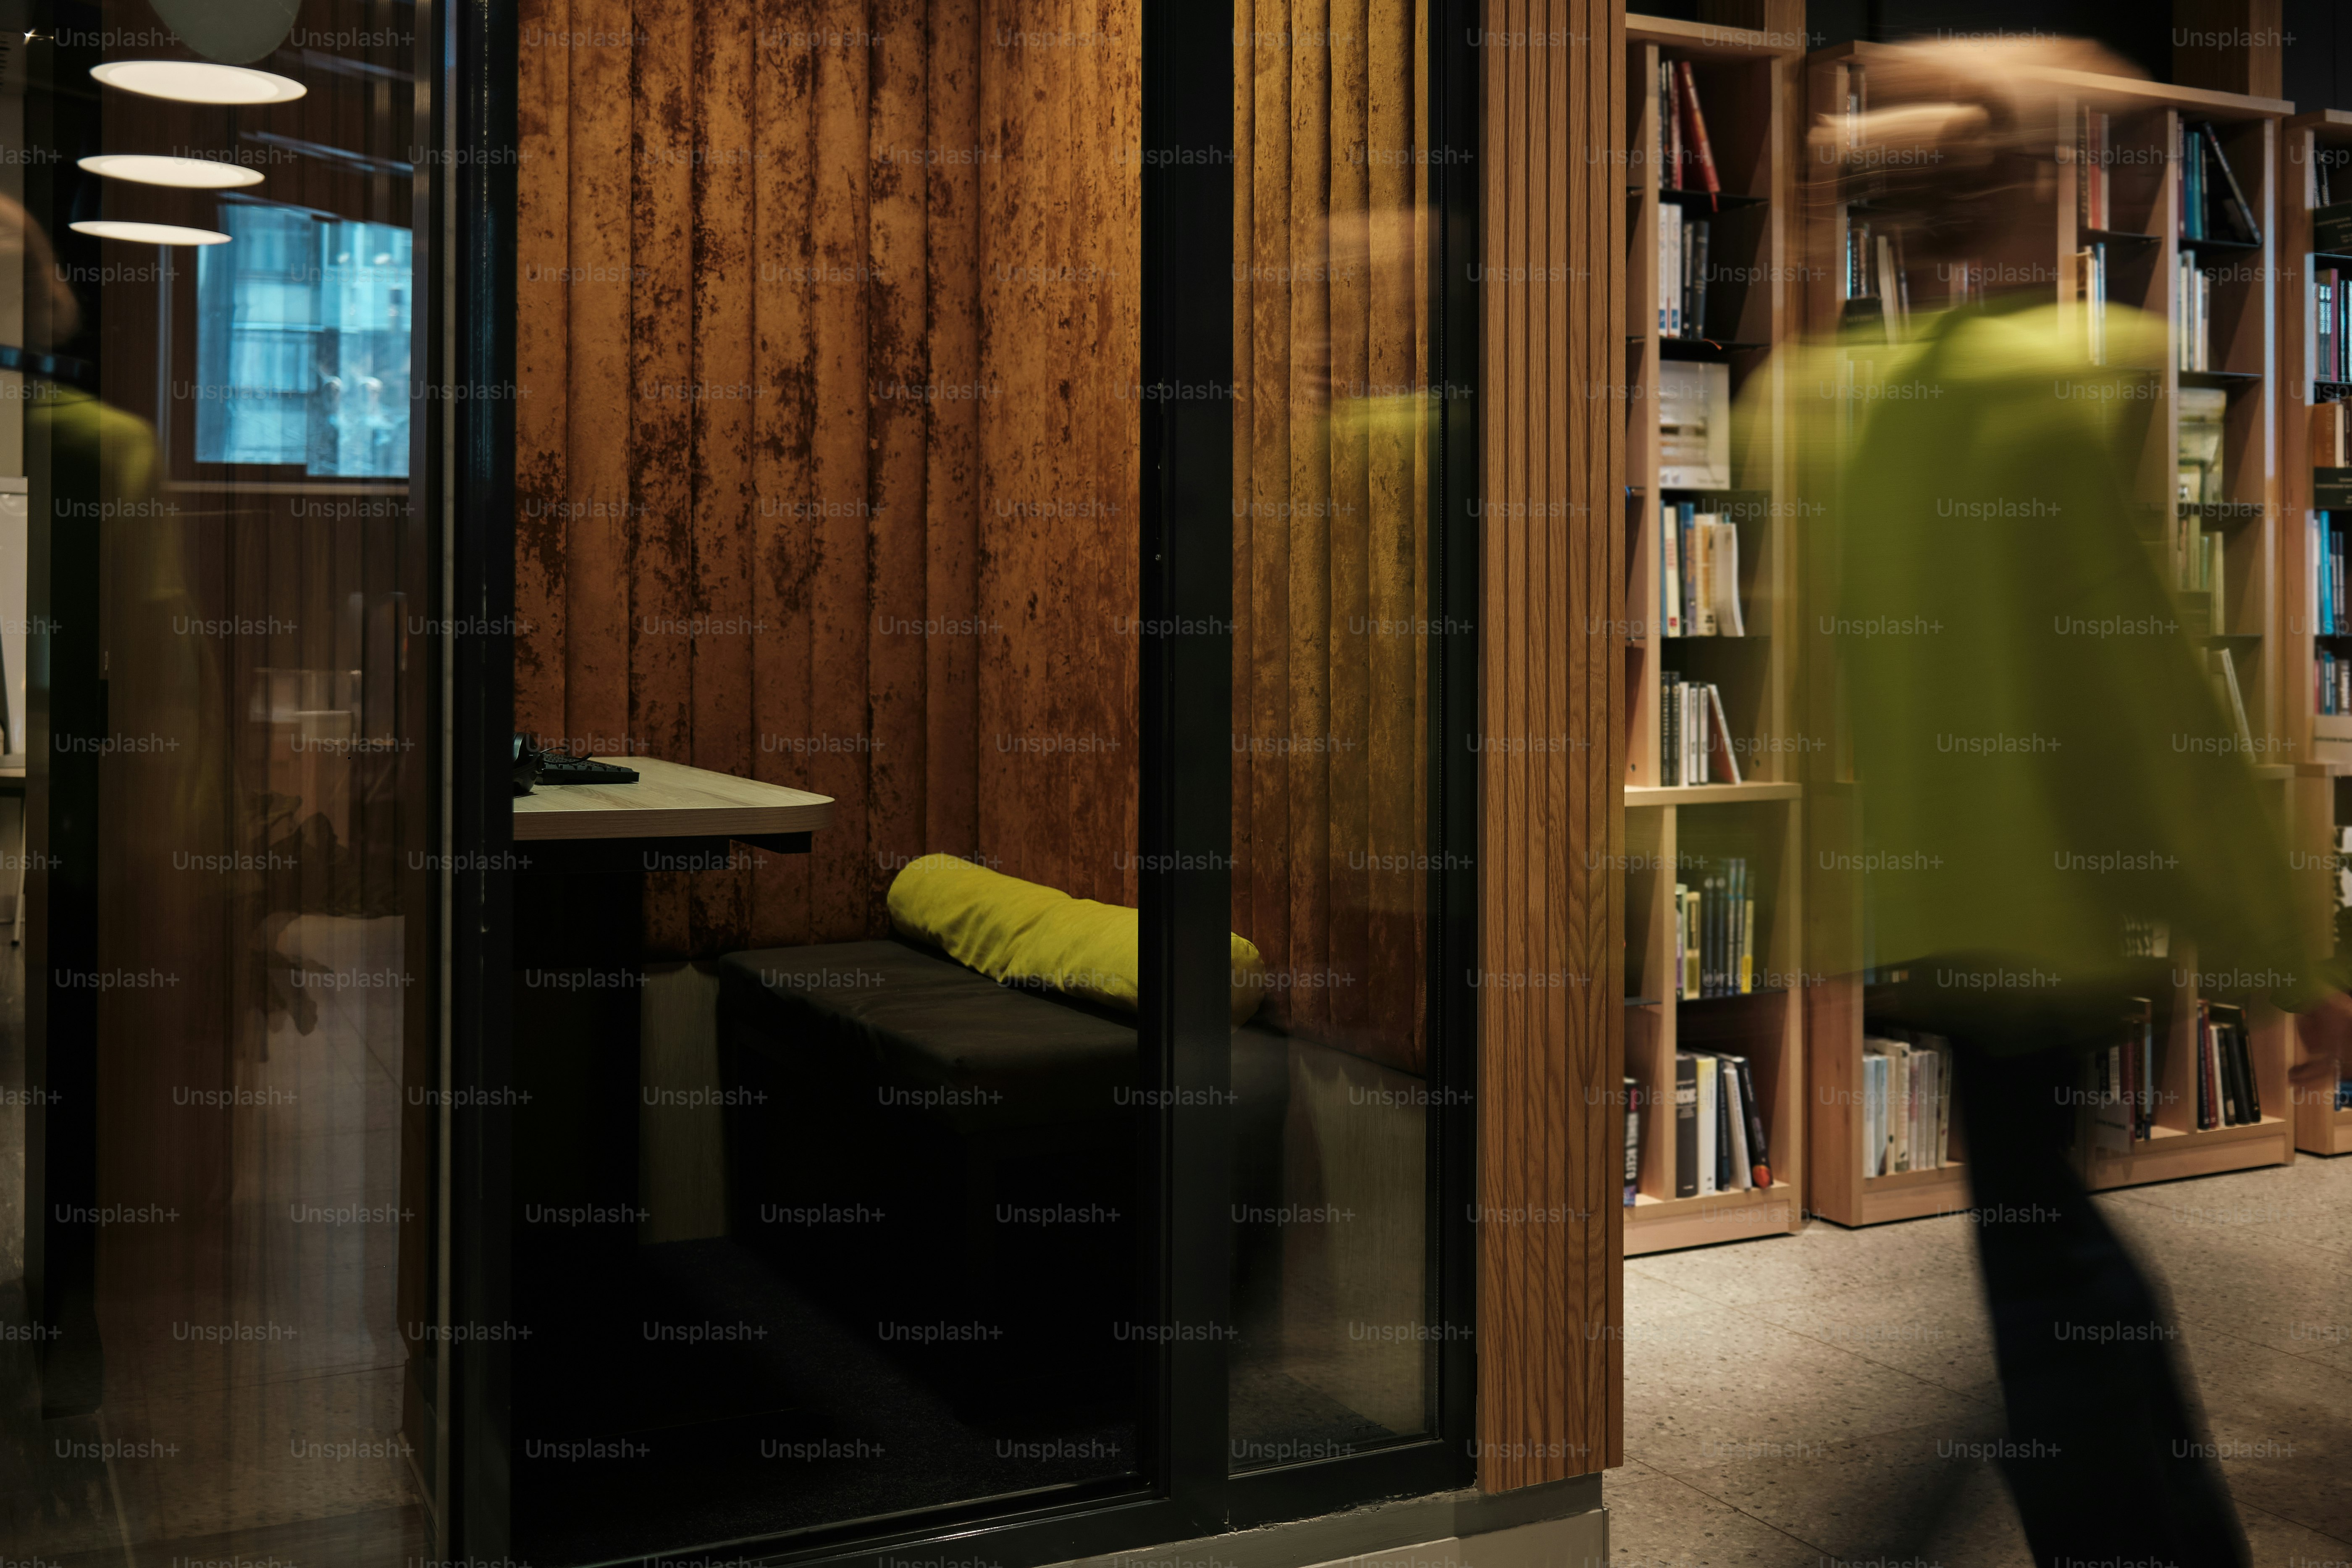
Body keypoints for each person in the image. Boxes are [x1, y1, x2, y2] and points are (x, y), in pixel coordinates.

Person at [1785, 39, 2337, 1568]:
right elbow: (2158, 706)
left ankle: (2146, 1533)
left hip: (1931, 915)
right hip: (2061, 920)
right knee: (2057, 1276)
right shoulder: (2058, 386)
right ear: (2023, 197)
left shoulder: (1817, 414)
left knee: (2045, 1263)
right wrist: (2286, 957)